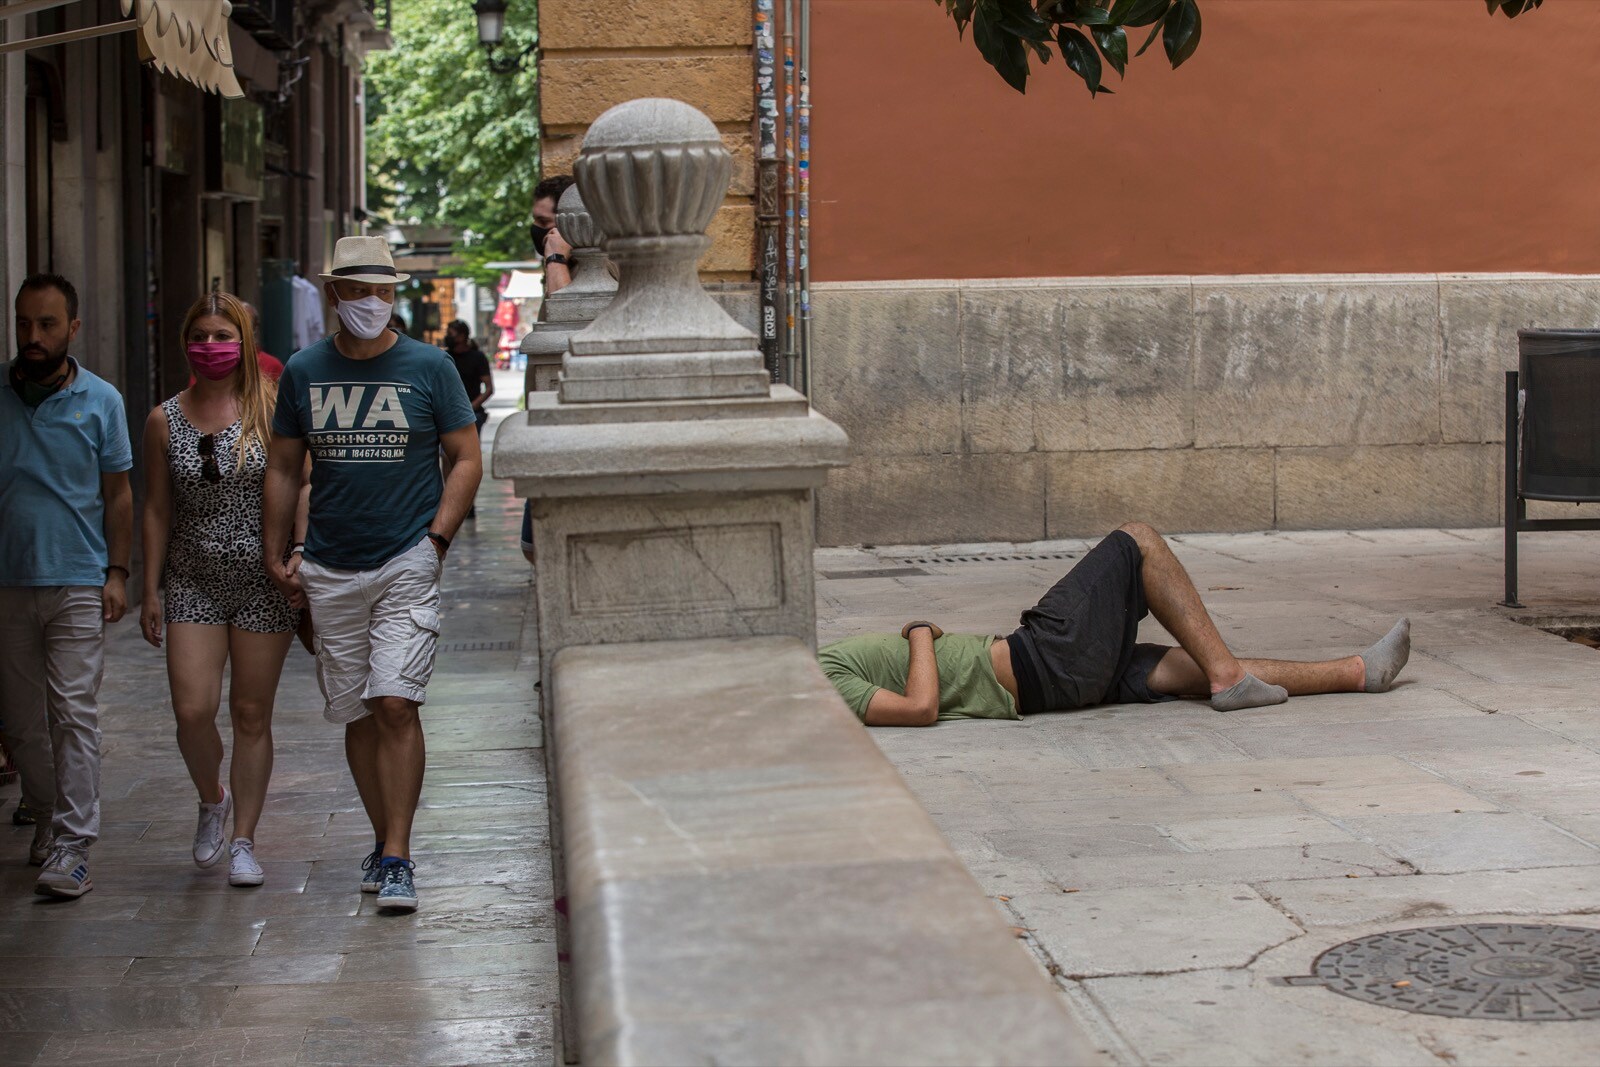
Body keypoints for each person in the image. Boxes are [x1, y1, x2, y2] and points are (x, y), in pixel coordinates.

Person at [263, 236, 480, 914]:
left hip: (405, 559)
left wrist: (437, 539)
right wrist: (279, 550)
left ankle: (397, 854)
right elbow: (283, 467)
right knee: (356, 709)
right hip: (329, 564)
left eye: (381, 291)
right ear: (333, 295)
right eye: (357, 290)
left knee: (395, 701)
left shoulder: (430, 367)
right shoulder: (304, 370)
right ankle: (381, 835)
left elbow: (466, 456)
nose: (370, 302)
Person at [819, 522, 1412, 727]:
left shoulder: (820, 673)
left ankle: (1359, 672)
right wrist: (921, 630)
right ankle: (1230, 679)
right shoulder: (826, 685)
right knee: (1138, 541)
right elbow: (921, 708)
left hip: (1057, 678)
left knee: (1193, 667)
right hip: (1042, 660)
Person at [140, 291, 305, 888]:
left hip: (262, 580)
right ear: (186, 342)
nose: (211, 346)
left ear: (244, 342)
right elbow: (156, 508)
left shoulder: (273, 408)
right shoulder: (165, 417)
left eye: (222, 335)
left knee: (251, 712)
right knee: (193, 710)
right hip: (192, 579)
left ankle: (245, 839)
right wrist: (151, 588)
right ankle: (213, 798)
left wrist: (299, 552)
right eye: (201, 335)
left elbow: (302, 481)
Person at [0, 273, 133, 899]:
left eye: (47, 324)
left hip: (78, 579)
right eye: (24, 322)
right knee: (22, 725)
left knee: (73, 715)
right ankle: (48, 816)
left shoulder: (101, 400)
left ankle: (74, 845)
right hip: (8, 582)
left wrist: (118, 572)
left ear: (73, 327)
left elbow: (119, 494)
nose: (33, 335)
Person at [443, 321, 492, 520]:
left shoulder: (477, 357)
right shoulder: (445, 358)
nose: (449, 336)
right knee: (445, 459)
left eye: (452, 333)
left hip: (472, 414)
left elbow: (489, 388)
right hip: (447, 414)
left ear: (463, 335)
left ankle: (468, 504)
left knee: (468, 459)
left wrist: (471, 407)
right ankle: (451, 499)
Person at [532, 175, 576, 296]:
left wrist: (556, 259)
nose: (535, 227)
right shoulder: (569, 266)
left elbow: (565, 313)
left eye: (544, 221)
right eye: (535, 220)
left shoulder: (597, 269)